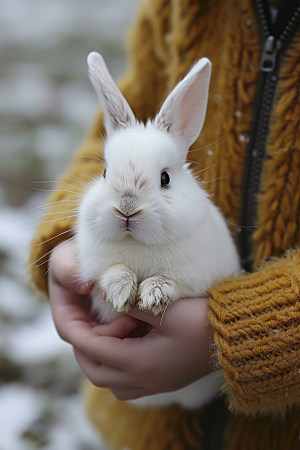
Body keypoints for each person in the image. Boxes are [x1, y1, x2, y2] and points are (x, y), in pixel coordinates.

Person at [29, 0, 300, 448]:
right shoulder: (181, 7)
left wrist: (221, 331)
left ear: (179, 169)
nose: (127, 209)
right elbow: (104, 140)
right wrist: (63, 250)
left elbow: (209, 275)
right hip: (142, 429)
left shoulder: (198, 223)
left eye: (164, 181)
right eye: (106, 176)